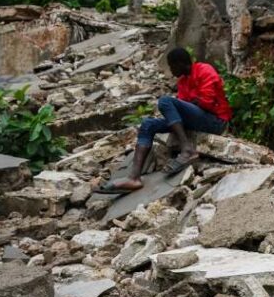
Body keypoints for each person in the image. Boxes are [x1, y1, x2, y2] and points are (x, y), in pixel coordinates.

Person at [96, 47, 231, 194]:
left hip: (215, 120)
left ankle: (187, 149)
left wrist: (187, 105)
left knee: (165, 101)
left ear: (180, 63)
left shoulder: (204, 70)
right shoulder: (182, 82)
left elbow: (207, 102)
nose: (171, 71)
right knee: (148, 124)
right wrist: (189, 105)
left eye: (172, 66)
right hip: (197, 118)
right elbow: (186, 107)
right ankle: (134, 177)